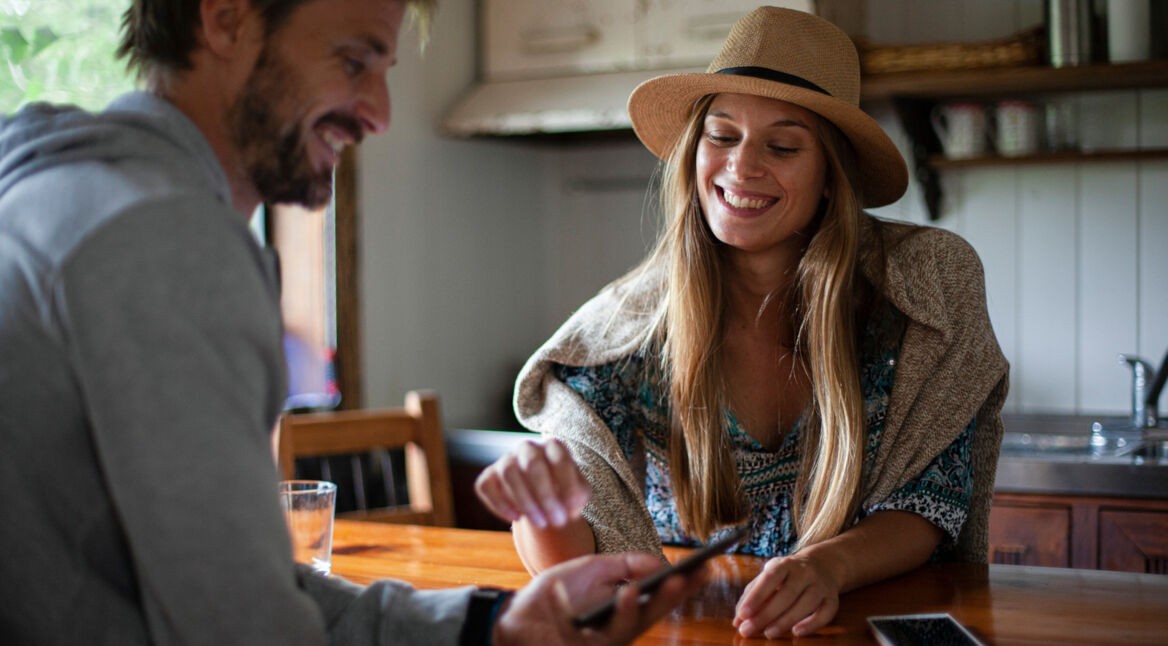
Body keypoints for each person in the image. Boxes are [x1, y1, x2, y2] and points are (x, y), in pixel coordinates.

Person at [0, 1, 704, 644]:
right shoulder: (164, 238)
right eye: (352, 62)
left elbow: (254, 590)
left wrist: (489, 627)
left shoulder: (58, 193)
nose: (380, 113)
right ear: (226, 19)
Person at [474, 5, 1010, 640]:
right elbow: (577, 552)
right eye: (721, 136)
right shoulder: (626, 331)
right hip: (689, 629)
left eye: (782, 145)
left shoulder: (916, 296)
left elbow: (930, 498)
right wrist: (541, 508)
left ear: (831, 177)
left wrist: (826, 568)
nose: (741, 166)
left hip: (852, 623)